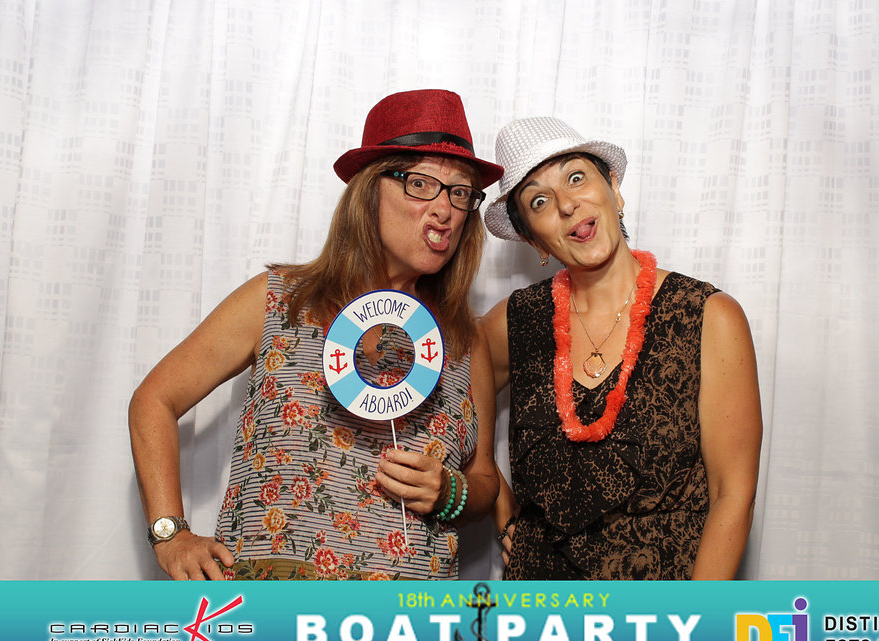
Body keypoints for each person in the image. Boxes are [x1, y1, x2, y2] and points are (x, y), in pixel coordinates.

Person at [130, 89, 503, 580]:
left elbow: (484, 478)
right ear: (369, 190)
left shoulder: (464, 340)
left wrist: (450, 491)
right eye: (420, 184)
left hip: (407, 613)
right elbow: (154, 399)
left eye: (460, 193)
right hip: (271, 609)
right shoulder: (279, 299)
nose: (445, 210)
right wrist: (170, 534)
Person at [481, 117, 761, 579]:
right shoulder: (513, 323)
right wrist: (501, 507)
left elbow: (733, 494)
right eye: (539, 201)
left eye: (576, 177)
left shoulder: (707, 317)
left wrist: (695, 617)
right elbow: (452, 407)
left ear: (613, 187)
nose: (567, 205)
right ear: (532, 238)